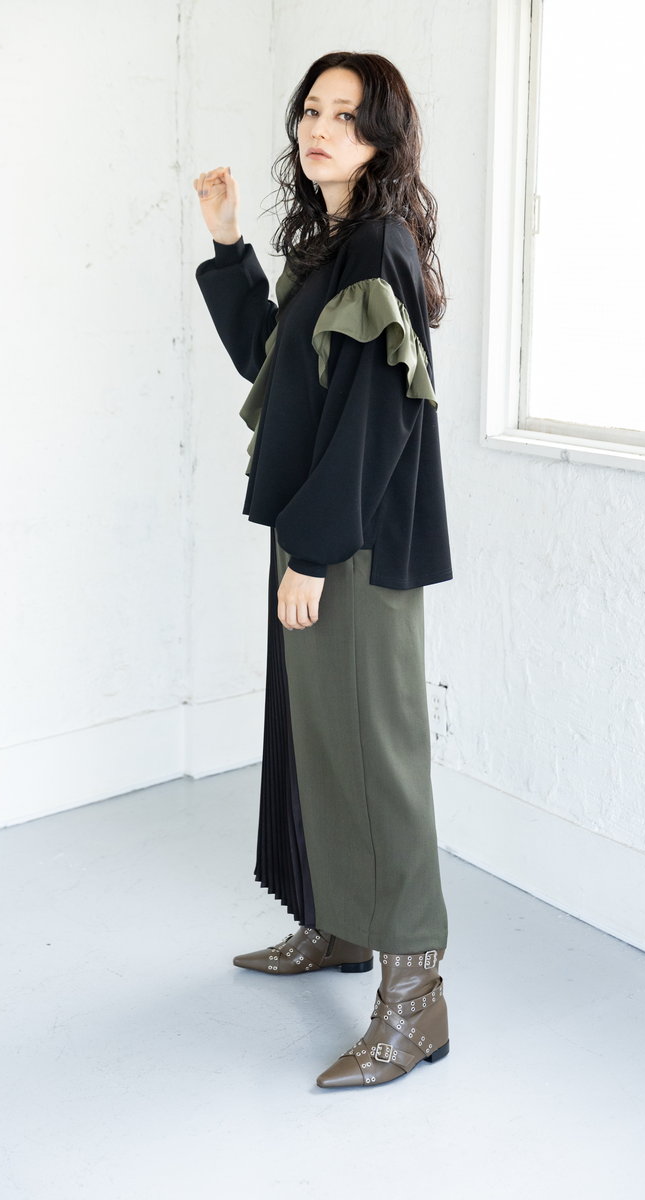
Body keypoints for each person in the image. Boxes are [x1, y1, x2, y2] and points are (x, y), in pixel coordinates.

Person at [193, 51, 453, 1089]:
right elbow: (275, 367)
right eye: (311, 109)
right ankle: (339, 923)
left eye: (345, 115)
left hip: (351, 544)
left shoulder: (380, 245)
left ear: (381, 138)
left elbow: (375, 421)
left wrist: (311, 554)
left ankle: (415, 1001)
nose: (320, 128)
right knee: (317, 747)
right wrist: (227, 245)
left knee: (375, 760)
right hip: (315, 530)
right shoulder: (330, 245)